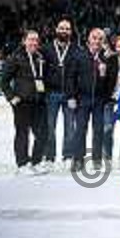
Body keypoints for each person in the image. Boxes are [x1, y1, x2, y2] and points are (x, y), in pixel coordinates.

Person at [1, 30, 49, 174]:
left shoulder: (40, 57)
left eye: (36, 40)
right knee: (22, 133)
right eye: (31, 39)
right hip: (22, 103)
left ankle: (36, 161)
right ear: (24, 41)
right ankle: (22, 164)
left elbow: (41, 78)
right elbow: (4, 82)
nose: (34, 43)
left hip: (38, 102)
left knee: (43, 133)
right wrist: (12, 97)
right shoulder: (15, 58)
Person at [41, 18, 81, 170]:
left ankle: (68, 156)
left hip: (69, 95)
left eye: (67, 29)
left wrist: (75, 95)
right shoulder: (46, 49)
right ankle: (49, 157)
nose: (64, 31)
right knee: (49, 127)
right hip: (51, 94)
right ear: (56, 30)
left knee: (70, 127)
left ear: (71, 32)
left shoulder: (76, 49)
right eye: (61, 28)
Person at [69, 28, 111, 171]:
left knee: (98, 131)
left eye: (100, 39)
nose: (97, 41)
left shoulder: (105, 58)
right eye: (95, 38)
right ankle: (77, 160)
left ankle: (97, 159)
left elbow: (108, 83)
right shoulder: (79, 56)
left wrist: (103, 75)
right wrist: (72, 96)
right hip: (82, 99)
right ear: (89, 39)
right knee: (80, 130)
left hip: (99, 101)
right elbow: (71, 78)